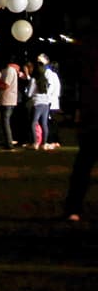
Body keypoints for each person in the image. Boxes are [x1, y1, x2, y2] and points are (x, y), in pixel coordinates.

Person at [63, 26, 96, 221]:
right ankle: (73, 207)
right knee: (83, 166)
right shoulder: (87, 63)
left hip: (90, 118)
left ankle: (73, 207)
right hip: (91, 118)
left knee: (83, 166)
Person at [0, 61, 20, 150]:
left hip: (8, 101)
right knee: (4, 122)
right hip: (5, 100)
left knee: (5, 122)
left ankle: (9, 143)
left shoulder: (9, 71)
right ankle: (7, 141)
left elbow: (5, 85)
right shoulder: (5, 70)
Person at [28, 57, 52, 150]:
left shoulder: (34, 80)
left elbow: (29, 93)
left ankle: (36, 143)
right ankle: (44, 143)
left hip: (37, 102)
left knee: (33, 123)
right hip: (45, 103)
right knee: (44, 123)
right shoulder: (45, 80)